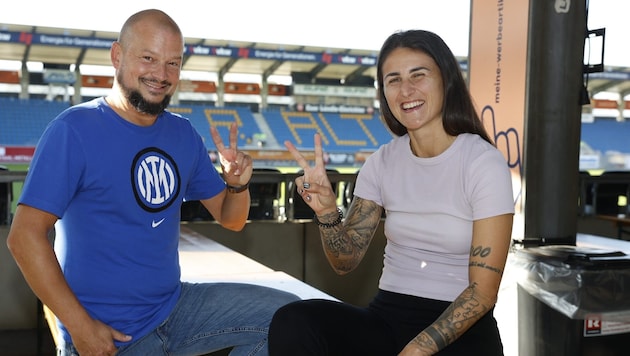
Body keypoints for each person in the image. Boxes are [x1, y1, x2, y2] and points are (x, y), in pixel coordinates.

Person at [6, 9, 298, 356]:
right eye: (149, 58)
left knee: (294, 317)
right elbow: (23, 238)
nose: (161, 74)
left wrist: (236, 185)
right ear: (117, 56)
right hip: (111, 333)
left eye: (173, 63)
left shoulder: (182, 133)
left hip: (176, 308)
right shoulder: (74, 130)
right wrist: (81, 328)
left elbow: (231, 219)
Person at [268, 29, 515, 356]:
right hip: (389, 317)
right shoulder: (381, 162)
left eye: (419, 75)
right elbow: (345, 261)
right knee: (294, 319)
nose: (406, 90)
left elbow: (482, 293)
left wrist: (418, 349)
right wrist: (327, 213)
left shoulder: (482, 163)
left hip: (461, 329)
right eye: (393, 80)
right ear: (384, 92)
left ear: (446, 80)